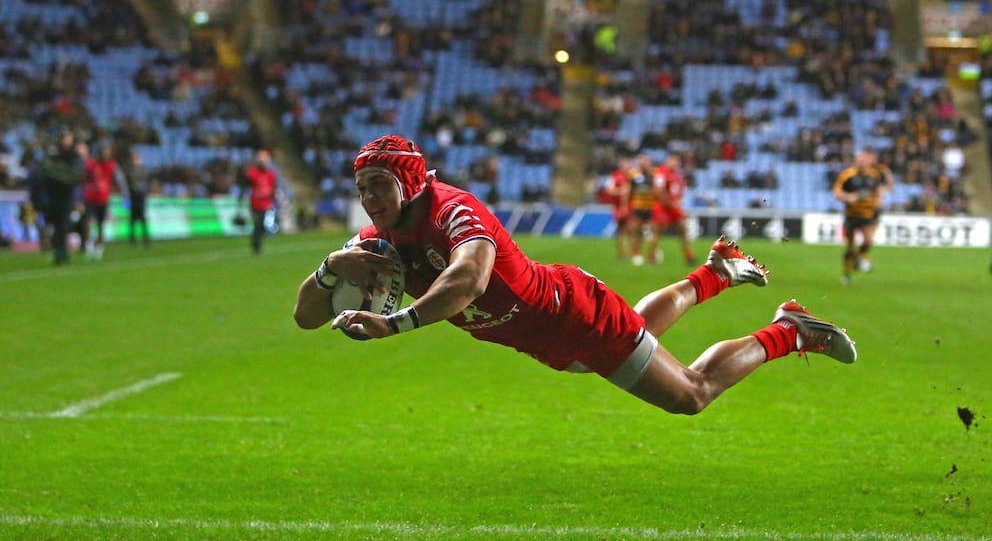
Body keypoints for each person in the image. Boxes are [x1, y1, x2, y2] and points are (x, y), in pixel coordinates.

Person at [294, 135, 857, 416]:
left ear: (410, 181)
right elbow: (305, 317)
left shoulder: (453, 209)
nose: (368, 199)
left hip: (572, 311)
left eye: (379, 185)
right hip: (535, 334)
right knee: (635, 338)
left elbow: (466, 281)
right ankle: (714, 273)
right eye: (361, 188)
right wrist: (326, 271)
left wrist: (394, 325)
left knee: (689, 393)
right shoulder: (377, 241)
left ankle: (791, 331)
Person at [831, 148, 893, 283]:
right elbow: (836, 192)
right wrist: (848, 197)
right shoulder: (847, 175)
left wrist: (878, 200)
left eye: (864, 161)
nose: (862, 164)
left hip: (867, 214)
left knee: (868, 241)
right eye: (859, 161)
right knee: (849, 246)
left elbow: (878, 191)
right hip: (851, 214)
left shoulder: (873, 176)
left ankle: (860, 257)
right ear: (855, 161)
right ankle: (847, 273)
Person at [42, 129, 86, 265]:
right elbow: (48, 171)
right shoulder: (54, 154)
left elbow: (78, 175)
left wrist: (64, 178)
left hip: (68, 195)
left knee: (64, 224)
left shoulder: (73, 156)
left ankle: (63, 252)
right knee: (56, 224)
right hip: (54, 194)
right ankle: (58, 251)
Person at [645, 152, 696, 266]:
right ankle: (651, 256)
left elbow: (681, 191)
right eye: (672, 160)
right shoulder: (662, 173)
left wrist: (676, 201)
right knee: (657, 232)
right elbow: (657, 190)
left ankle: (688, 254)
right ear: (667, 161)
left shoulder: (678, 175)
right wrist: (668, 202)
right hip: (662, 206)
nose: (674, 163)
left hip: (673, 206)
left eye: (676, 161)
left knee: (683, 228)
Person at [81, 142, 124, 260]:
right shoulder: (91, 164)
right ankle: (88, 245)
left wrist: (124, 194)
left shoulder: (111, 165)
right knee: (87, 221)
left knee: (101, 224)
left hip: (103, 198)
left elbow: (120, 180)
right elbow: (82, 177)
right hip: (90, 197)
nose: (106, 153)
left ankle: (99, 248)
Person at [239, 148, 278, 254]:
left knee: (263, 225)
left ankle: (258, 244)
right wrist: (241, 199)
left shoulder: (270, 174)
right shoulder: (252, 173)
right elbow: (245, 186)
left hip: (267, 203)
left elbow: (273, 187)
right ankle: (256, 246)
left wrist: (275, 198)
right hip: (255, 203)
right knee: (258, 224)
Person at [599, 155, 634, 259]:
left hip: (631, 205)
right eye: (625, 164)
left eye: (628, 164)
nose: (627, 166)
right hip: (618, 206)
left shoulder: (632, 176)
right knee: (621, 229)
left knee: (631, 228)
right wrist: (620, 192)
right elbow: (608, 189)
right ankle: (621, 252)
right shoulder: (615, 176)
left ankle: (632, 252)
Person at [627, 153, 656, 265]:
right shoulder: (633, 174)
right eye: (642, 160)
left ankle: (651, 254)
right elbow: (630, 190)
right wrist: (627, 205)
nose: (644, 163)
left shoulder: (654, 173)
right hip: (638, 206)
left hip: (651, 206)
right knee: (637, 231)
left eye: (646, 160)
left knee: (653, 231)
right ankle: (636, 253)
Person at [123, 150, 151, 245]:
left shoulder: (142, 170)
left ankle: (145, 237)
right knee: (133, 218)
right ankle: (133, 238)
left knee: (142, 217)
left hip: (140, 196)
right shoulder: (131, 170)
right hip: (133, 196)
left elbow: (146, 181)